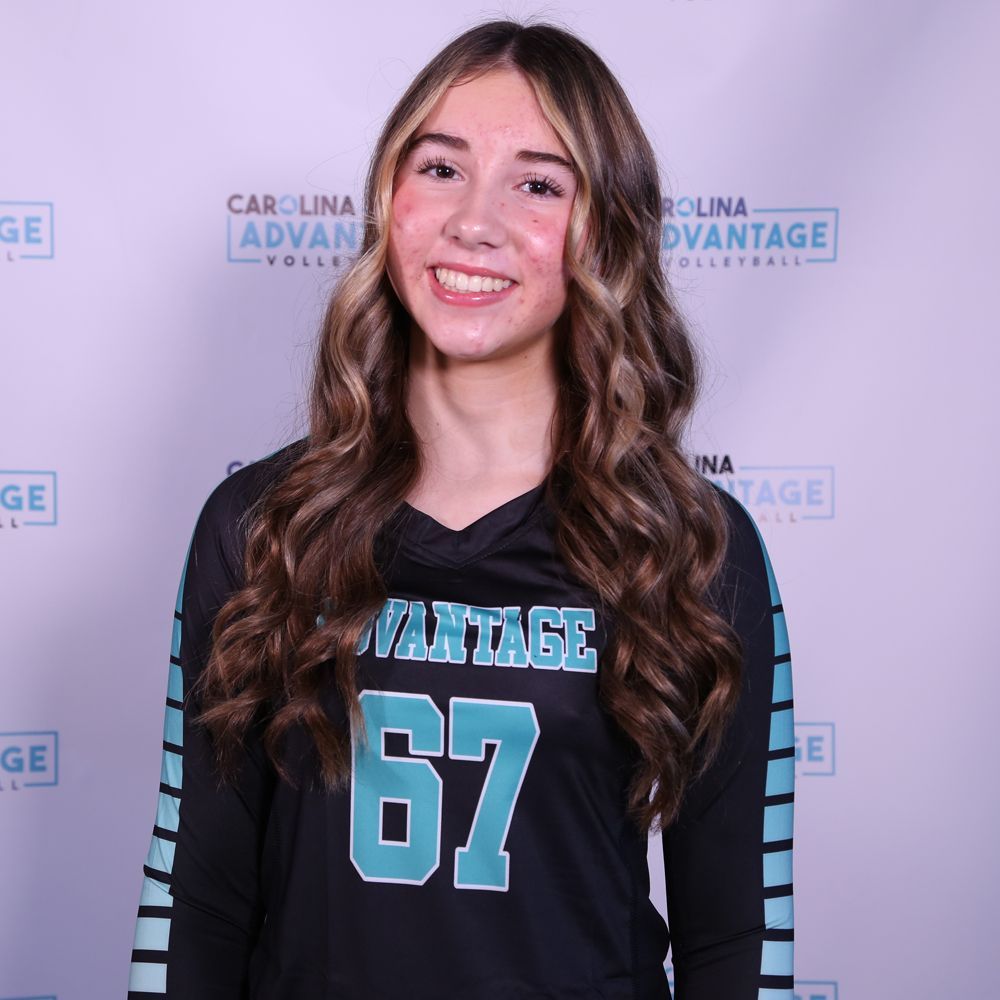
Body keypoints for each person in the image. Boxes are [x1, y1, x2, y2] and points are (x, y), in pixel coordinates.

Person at [127, 19, 794, 1000]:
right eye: (440, 169)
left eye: (538, 184)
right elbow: (197, 899)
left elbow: (738, 934)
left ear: (605, 229)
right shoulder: (264, 526)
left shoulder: (690, 549)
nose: (474, 222)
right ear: (388, 201)